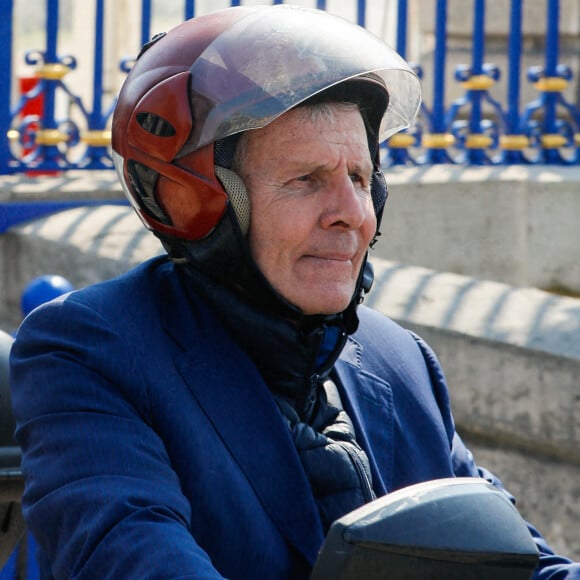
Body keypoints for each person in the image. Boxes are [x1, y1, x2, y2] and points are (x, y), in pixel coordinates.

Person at [9, 5, 579, 579]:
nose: (352, 215)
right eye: (306, 181)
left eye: (359, 178)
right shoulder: (92, 351)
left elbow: (515, 562)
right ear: (197, 202)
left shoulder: (399, 361)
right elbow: (133, 555)